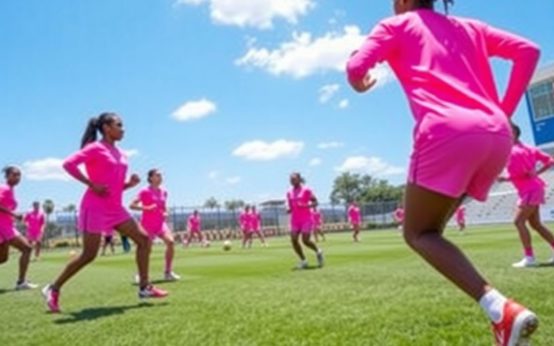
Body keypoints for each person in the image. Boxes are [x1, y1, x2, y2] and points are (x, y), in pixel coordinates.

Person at [346, 0, 540, 343]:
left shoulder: (398, 25)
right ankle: (501, 318)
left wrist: (356, 72)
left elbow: (356, 67)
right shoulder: (470, 27)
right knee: (432, 229)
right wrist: (503, 112)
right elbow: (528, 51)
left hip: (446, 132)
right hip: (497, 136)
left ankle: (501, 311)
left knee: (418, 233)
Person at [42, 113, 167, 314]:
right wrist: (91, 184)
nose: (123, 128)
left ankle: (144, 287)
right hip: (95, 206)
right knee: (89, 254)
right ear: (107, 128)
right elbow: (68, 164)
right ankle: (53, 288)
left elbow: (113, 186)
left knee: (144, 240)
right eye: (119, 125)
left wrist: (129, 184)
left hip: (116, 208)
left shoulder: (122, 154)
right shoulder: (94, 148)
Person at [498, 124, 554, 268]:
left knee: (518, 221)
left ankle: (529, 258)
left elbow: (518, 173)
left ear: (514, 134)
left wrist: (505, 178)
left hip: (529, 190)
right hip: (534, 188)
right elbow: (550, 161)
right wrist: (537, 172)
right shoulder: (529, 148)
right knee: (536, 224)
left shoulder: (513, 152)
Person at [130, 169, 180, 280]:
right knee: (146, 250)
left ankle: (168, 272)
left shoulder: (164, 192)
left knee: (171, 242)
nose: (160, 177)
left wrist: (166, 212)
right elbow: (132, 205)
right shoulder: (144, 191)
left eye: (161, 175)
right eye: (158, 175)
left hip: (160, 224)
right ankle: (140, 274)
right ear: (151, 178)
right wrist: (146, 208)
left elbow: (163, 206)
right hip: (147, 225)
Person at [0, 166, 37, 290]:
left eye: (19, 175)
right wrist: (14, 214)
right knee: (27, 248)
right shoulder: (4, 188)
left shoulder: (10, 189)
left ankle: (21, 282)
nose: (17, 177)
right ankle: (21, 282)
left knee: (3, 258)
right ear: (7, 176)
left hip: (7, 225)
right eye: (14, 175)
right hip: (3, 227)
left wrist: (13, 216)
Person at [286, 172, 324, 269]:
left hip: (306, 219)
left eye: (294, 179)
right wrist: (288, 209)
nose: (292, 181)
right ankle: (303, 261)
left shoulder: (306, 190)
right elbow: (289, 205)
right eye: (291, 179)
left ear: (299, 179)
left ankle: (318, 251)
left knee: (305, 240)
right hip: (295, 219)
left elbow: (315, 202)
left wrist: (305, 205)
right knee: (293, 240)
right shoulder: (289, 192)